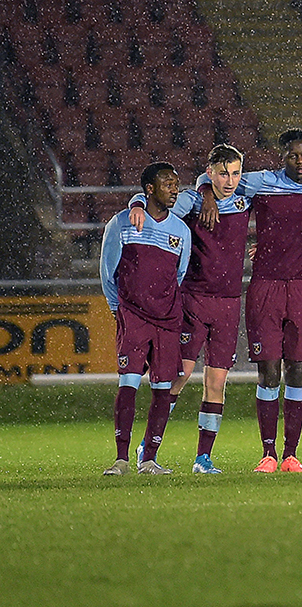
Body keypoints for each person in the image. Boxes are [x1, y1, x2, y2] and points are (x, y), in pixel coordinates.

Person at [195, 129, 302, 473]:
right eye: (293, 155)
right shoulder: (261, 182)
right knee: (269, 371)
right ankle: (268, 453)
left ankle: (291, 454)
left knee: (298, 370)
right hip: (266, 287)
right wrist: (205, 193)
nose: (301, 161)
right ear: (282, 157)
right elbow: (214, 176)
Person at [127, 144, 250, 474]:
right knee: (179, 376)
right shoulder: (192, 200)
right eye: (222, 173)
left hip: (229, 302)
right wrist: (137, 202)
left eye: (235, 173)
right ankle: (148, 447)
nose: (230, 180)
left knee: (217, 383)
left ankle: (203, 458)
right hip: (193, 299)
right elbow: (159, 205)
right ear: (209, 172)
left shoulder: (246, 196)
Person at [100, 162, 191, 475]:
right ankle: (121, 459)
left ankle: (149, 458)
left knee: (163, 388)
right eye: (167, 184)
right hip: (133, 315)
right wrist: (118, 308)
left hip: (167, 320)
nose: (174, 189)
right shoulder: (122, 223)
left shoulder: (181, 231)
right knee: (128, 383)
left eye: (176, 184)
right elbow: (107, 271)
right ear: (149, 189)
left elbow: (178, 275)